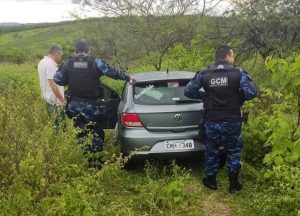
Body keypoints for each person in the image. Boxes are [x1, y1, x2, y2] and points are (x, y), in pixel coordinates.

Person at [184, 45, 258, 194]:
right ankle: (233, 184)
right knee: (233, 150)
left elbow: (188, 91)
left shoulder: (204, 73)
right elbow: (251, 93)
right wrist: (237, 98)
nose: (233, 59)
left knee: (211, 150)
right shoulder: (238, 73)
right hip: (232, 120)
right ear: (228, 56)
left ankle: (211, 182)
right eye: (233, 56)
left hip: (212, 120)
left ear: (216, 57)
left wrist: (205, 96)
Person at [54, 41, 130, 153]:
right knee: (96, 132)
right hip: (92, 106)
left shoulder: (67, 64)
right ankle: (96, 160)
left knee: (80, 131)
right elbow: (112, 72)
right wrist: (127, 77)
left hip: (74, 106)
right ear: (88, 51)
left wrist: (68, 76)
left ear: (76, 52)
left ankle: (85, 155)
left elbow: (58, 80)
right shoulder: (96, 63)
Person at [38, 45, 66, 124]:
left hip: (47, 98)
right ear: (57, 54)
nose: (60, 59)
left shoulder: (42, 62)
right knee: (61, 127)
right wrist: (62, 100)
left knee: (53, 124)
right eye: (61, 56)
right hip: (55, 101)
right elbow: (53, 84)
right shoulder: (50, 64)